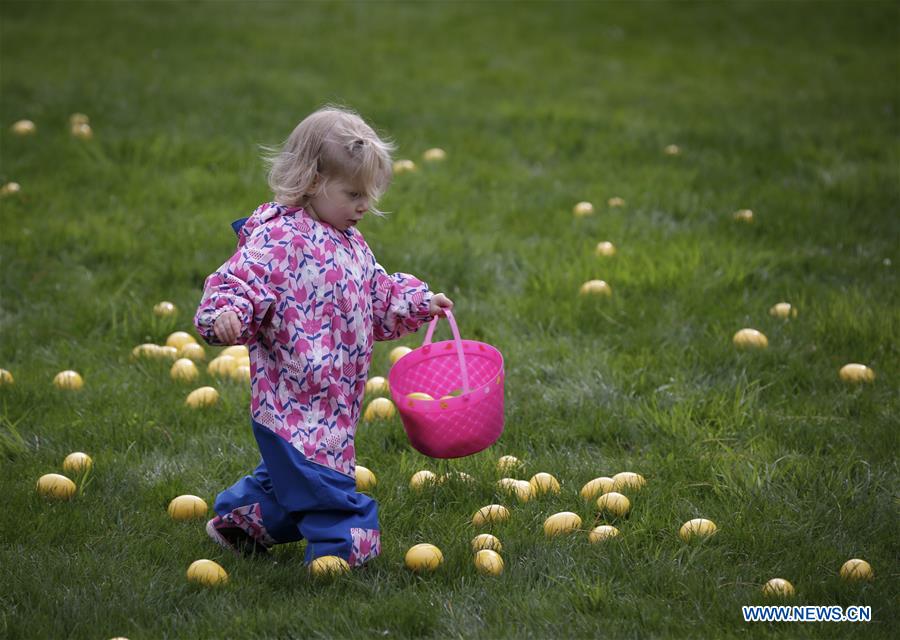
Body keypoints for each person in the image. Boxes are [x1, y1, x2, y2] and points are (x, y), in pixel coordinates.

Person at [194, 105, 453, 567]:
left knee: (296, 484)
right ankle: (347, 547)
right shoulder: (278, 239)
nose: (364, 206)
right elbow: (241, 281)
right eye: (353, 193)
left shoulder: (351, 242)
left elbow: (377, 293)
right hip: (290, 403)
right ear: (312, 182)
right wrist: (226, 314)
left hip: (335, 399)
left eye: (369, 194)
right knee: (326, 490)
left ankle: (238, 521)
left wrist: (417, 303)